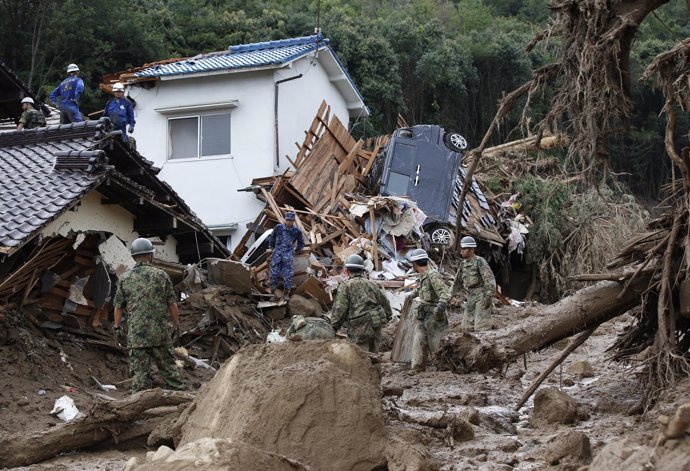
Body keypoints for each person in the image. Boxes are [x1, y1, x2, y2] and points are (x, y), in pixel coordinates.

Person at [113, 238, 184, 393]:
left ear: (133, 257)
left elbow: (118, 307)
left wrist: (117, 327)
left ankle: (138, 410)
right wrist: (176, 323)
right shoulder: (161, 275)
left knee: (140, 378)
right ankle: (182, 406)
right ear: (150, 255)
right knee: (170, 373)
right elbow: (172, 304)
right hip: (160, 335)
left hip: (137, 337)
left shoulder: (125, 278)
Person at [330, 254, 393, 352]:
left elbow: (340, 309)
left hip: (358, 328)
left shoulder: (346, 286)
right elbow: (385, 302)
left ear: (346, 271)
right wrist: (388, 316)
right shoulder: (372, 284)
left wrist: (334, 326)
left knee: (360, 355)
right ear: (363, 270)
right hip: (375, 323)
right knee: (374, 353)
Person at [407, 248, 450, 374]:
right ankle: (417, 367)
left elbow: (445, 291)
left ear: (415, 264)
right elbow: (421, 289)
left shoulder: (432, 275)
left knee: (435, 343)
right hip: (423, 314)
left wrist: (441, 304)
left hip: (434, 316)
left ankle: (443, 366)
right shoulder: (423, 276)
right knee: (419, 340)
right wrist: (412, 295)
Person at [451, 236, 496, 332]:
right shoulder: (463, 264)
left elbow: (489, 280)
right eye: (461, 249)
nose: (461, 251)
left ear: (472, 249)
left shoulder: (480, 262)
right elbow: (457, 283)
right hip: (470, 297)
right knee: (466, 327)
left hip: (481, 296)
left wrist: (488, 296)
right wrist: (451, 297)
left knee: (481, 327)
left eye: (464, 249)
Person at [267, 212, 304, 299]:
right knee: (274, 274)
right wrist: (272, 247)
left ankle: (286, 293)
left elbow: (301, 242)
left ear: (293, 221)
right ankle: (274, 294)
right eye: (287, 220)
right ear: (285, 219)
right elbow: (272, 237)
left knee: (287, 276)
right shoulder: (279, 227)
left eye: (291, 220)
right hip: (277, 255)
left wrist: (298, 250)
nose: (289, 222)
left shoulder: (296, 231)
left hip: (287, 256)